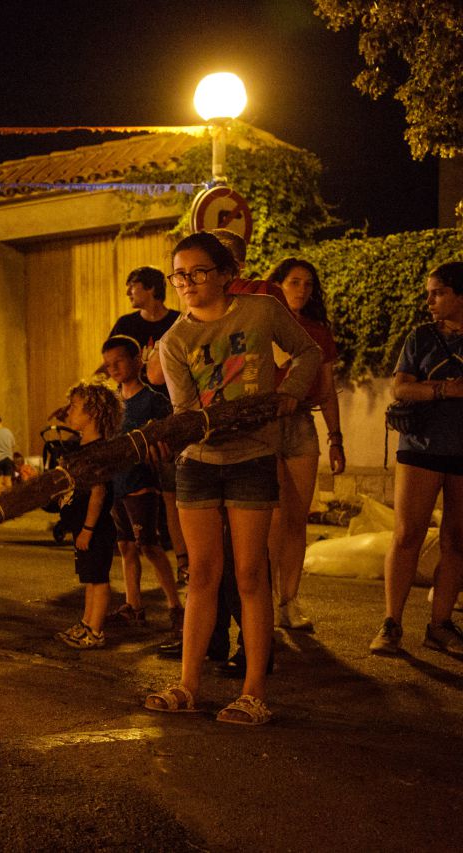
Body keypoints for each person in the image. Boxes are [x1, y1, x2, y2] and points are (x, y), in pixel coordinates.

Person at [145, 231, 320, 726]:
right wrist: (172, 436)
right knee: (202, 573)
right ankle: (188, 685)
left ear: (225, 274)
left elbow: (308, 353)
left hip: (253, 458)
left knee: (249, 573)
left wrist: (290, 393)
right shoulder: (175, 341)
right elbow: (185, 412)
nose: (187, 282)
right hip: (198, 464)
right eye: (179, 275)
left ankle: (254, 691)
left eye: (198, 272)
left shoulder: (261, 312)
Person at [369, 261, 463, 655]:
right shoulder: (421, 337)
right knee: (408, 534)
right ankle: (391, 623)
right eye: (429, 293)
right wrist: (445, 390)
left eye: (438, 292)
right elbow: (400, 389)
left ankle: (440, 625)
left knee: (457, 540)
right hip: (420, 446)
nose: (430, 301)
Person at [266, 259, 345, 631]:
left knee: (297, 518)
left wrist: (336, 438)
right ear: (277, 285)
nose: (302, 290)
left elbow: (327, 390)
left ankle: (289, 600)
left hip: (301, 422)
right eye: (294, 282)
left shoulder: (318, 332)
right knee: (271, 518)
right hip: (263, 423)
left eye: (308, 284)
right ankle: (263, 600)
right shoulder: (261, 323)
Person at [100, 336, 183, 636]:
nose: (113, 369)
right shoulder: (111, 403)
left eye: (119, 361)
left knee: (148, 545)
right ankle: (133, 605)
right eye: (108, 364)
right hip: (117, 483)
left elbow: (170, 439)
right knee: (125, 546)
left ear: (137, 361)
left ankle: (175, 606)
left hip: (141, 484)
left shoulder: (154, 401)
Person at [111, 266, 189, 584]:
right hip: (134, 420)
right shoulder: (125, 326)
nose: (128, 292)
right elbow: (112, 361)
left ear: (152, 289)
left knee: (172, 493)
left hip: (169, 417)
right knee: (135, 492)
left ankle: (183, 561)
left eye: (134, 286)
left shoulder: (177, 323)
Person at [51, 380, 120, 649]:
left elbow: (98, 492)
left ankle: (95, 630)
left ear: (93, 413)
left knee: (99, 579)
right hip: (84, 528)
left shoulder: (98, 451)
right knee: (90, 578)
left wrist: (88, 529)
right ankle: (86, 622)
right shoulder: (82, 447)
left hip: (96, 529)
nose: (68, 411)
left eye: (74, 407)